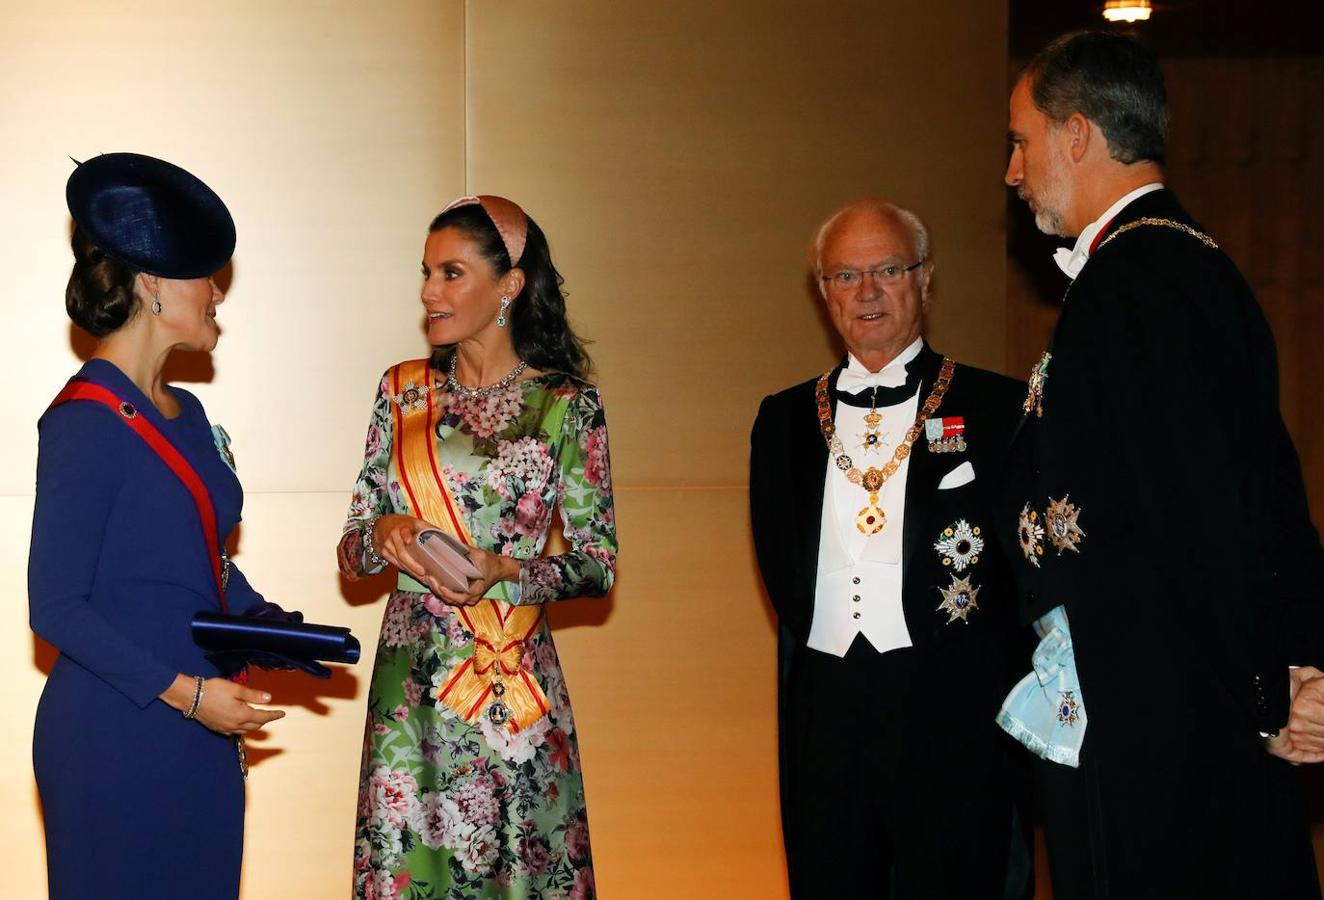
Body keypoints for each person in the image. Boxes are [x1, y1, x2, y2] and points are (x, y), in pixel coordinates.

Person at [998, 31, 1323, 899]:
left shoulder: (1144, 280)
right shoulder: (1153, 268)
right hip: (1158, 705)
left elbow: (1216, 504)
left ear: (1077, 135)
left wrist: (1271, 690)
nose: (1012, 170)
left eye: (1021, 141)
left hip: (1164, 720)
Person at [749, 199, 1028, 898]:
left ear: (925, 279)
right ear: (823, 292)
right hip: (827, 713)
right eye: (845, 275)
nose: (866, 292)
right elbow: (780, 560)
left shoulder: (998, 409)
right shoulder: (781, 420)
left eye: (887, 270)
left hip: (951, 713)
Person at [338, 195, 615, 898]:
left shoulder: (564, 405)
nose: (430, 291)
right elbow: (351, 550)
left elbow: (596, 564)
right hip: (414, 686)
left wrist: (506, 570)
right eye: (427, 273)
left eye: (451, 273)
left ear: (510, 285)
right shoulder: (401, 392)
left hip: (512, 683)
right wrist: (381, 534)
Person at [29, 152, 288, 899]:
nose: (217, 294)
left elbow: (191, 569)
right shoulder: (84, 422)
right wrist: (190, 694)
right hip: (117, 732)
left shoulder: (190, 411)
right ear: (151, 286)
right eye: (205, 275)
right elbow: (56, 608)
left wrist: (272, 628)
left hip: (198, 730)